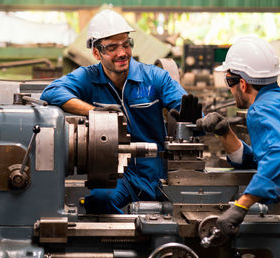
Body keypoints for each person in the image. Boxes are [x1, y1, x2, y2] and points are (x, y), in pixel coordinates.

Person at [40, 9, 199, 214]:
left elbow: (187, 110)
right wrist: (96, 112)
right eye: (112, 47)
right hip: (116, 173)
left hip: (156, 171)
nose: (122, 53)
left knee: (175, 215)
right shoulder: (88, 78)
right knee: (99, 201)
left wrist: (193, 120)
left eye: (126, 44)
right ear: (96, 53)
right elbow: (51, 92)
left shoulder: (155, 78)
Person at [196, 36, 280, 237]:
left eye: (228, 82)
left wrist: (240, 207)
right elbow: (264, 161)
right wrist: (225, 133)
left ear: (242, 84)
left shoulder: (260, 108)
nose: (230, 91)